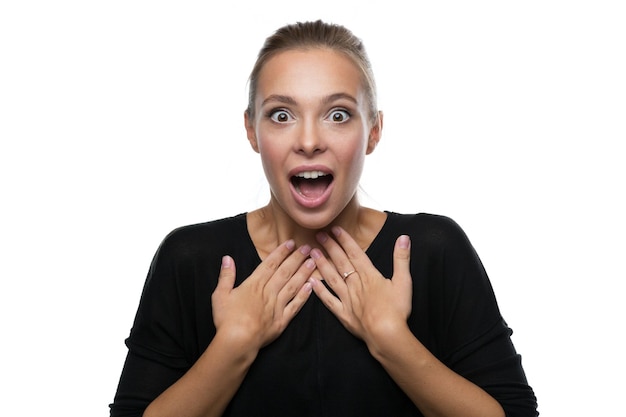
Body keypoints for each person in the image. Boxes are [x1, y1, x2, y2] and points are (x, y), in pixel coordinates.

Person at [110, 20, 538, 417]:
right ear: (251, 131)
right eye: (281, 115)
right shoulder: (189, 260)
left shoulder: (434, 250)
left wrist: (391, 339)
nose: (310, 141)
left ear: (373, 131)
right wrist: (233, 345)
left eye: (338, 114)